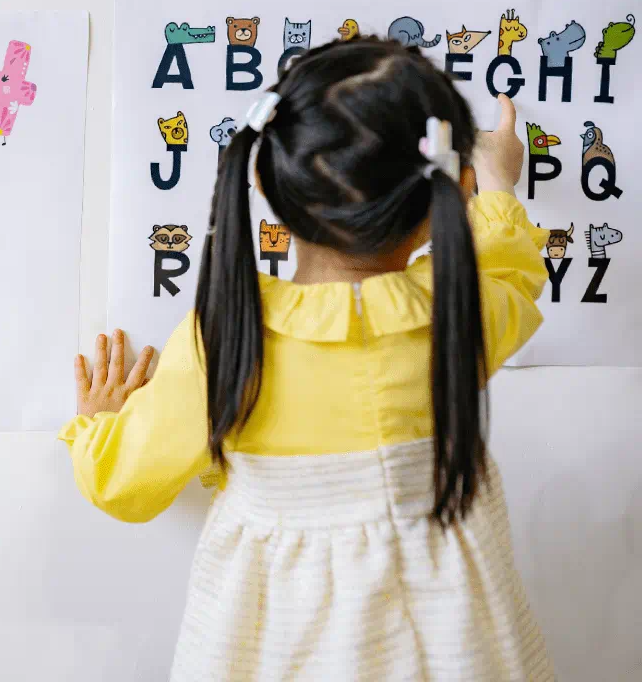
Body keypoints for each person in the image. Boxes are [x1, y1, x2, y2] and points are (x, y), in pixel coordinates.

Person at [60, 37, 554, 680]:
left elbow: (123, 484)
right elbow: (510, 269)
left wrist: (98, 426)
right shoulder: (458, 312)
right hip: (452, 642)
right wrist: (496, 181)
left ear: (264, 179)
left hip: (280, 647)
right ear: (444, 198)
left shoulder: (229, 338)